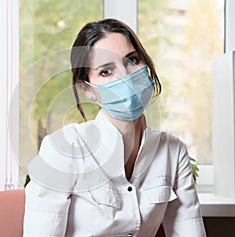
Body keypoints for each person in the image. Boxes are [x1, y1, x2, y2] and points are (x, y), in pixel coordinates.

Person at [23, 18, 206, 237]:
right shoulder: (62, 149)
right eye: (106, 72)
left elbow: (190, 230)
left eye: (132, 60)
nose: (126, 77)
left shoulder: (173, 151)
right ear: (87, 89)